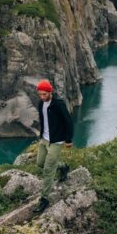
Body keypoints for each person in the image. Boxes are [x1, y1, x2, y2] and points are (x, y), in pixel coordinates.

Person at [33, 79, 73, 213]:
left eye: (44, 94)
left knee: (48, 170)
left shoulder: (59, 104)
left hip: (56, 141)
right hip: (44, 140)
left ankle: (44, 199)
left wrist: (68, 140)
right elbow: (43, 119)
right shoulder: (41, 104)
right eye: (40, 94)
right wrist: (41, 136)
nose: (42, 97)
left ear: (51, 92)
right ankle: (63, 167)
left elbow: (68, 121)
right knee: (40, 163)